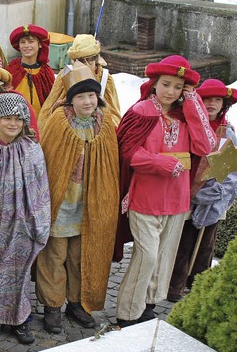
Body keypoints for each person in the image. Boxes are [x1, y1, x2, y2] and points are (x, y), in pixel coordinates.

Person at [115, 55, 216, 327]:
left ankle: (148, 304)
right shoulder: (141, 112)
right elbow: (127, 152)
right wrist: (159, 162)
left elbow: (206, 146)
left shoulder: (186, 116)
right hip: (145, 198)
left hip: (177, 200)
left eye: (177, 87)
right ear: (154, 83)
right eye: (166, 84)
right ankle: (127, 310)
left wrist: (194, 103)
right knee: (146, 256)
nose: (171, 91)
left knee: (163, 257)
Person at [36, 62, 119, 333]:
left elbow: (111, 166)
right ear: (71, 99)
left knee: (80, 256)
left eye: (91, 96)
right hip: (62, 202)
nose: (87, 101)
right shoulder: (58, 123)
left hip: (89, 204)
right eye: (80, 96)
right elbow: (48, 161)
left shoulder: (104, 126)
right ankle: (52, 306)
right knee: (55, 255)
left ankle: (77, 303)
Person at [0, 92, 51, 344]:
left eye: (17, 118)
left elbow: (40, 185)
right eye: (6, 118)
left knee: (19, 270)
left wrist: (38, 219)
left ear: (24, 121)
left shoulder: (31, 149)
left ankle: (21, 320)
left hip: (21, 221)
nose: (12, 123)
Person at [168, 79, 237, 302]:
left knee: (206, 244)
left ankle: (198, 286)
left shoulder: (228, 132)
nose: (211, 104)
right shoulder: (188, 125)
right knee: (183, 242)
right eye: (207, 98)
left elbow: (231, 170)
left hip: (213, 200)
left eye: (217, 100)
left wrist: (217, 193)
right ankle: (174, 288)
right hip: (186, 195)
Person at [39, 34, 121, 132]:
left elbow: (115, 114)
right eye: (81, 61)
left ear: (96, 59)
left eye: (90, 60)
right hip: (69, 131)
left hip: (96, 133)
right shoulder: (65, 75)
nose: (86, 65)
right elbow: (48, 110)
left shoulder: (106, 79)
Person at [6, 24, 55, 117]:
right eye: (23, 42)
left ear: (40, 44)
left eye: (31, 42)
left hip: (40, 124)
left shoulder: (46, 72)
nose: (26, 45)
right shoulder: (11, 69)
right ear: (19, 46)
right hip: (14, 122)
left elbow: (51, 101)